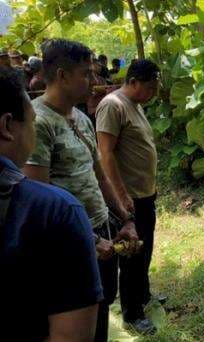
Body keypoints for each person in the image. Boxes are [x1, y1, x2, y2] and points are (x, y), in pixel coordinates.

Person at [22, 39, 143, 341]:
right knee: (77, 318)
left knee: (101, 305)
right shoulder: (38, 123)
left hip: (100, 229)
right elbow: (39, 195)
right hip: (68, 238)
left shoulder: (80, 118)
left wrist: (123, 218)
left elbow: (99, 174)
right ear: (62, 76)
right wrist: (88, 239)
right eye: (86, 74)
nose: (94, 81)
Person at [0, 67, 103, 342]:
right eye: (30, 122)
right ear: (7, 126)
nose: (93, 81)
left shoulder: (81, 118)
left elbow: (98, 167)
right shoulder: (54, 212)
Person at [96, 59, 161, 332]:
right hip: (128, 198)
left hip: (145, 194)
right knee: (132, 255)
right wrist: (121, 196)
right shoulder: (113, 105)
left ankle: (143, 296)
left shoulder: (135, 105)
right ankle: (132, 314)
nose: (153, 93)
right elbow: (105, 153)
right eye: (149, 87)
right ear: (133, 81)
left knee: (144, 251)